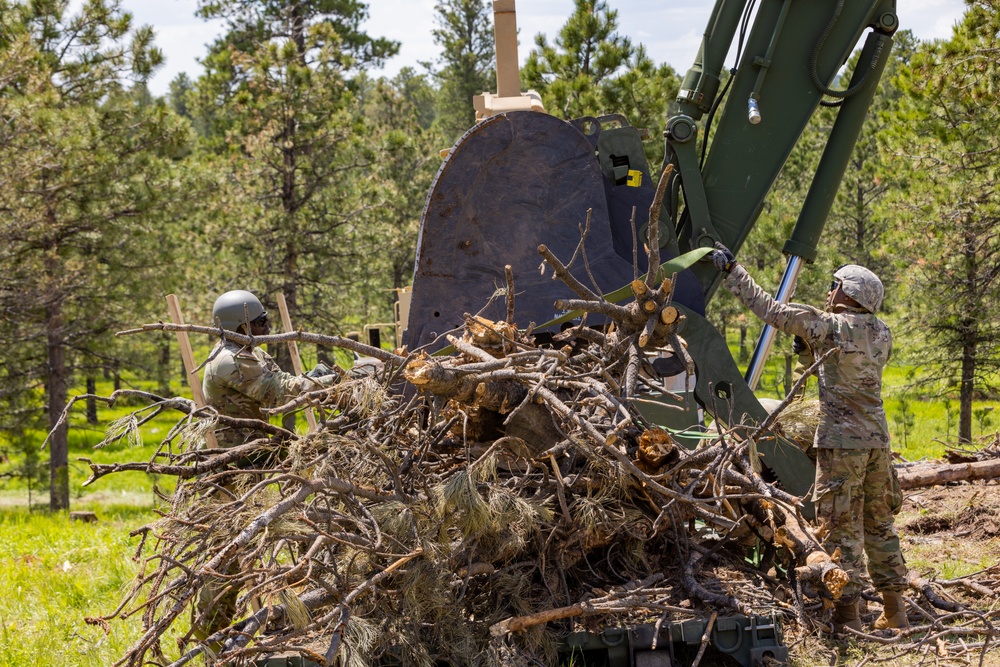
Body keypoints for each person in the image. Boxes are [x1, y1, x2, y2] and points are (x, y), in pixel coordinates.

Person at [709, 244, 908, 632]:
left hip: (840, 445)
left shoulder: (828, 325)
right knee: (880, 523)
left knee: (840, 528)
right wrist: (807, 353)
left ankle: (848, 616)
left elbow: (769, 309)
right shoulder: (882, 333)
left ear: (849, 293)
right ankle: (895, 610)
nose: (829, 293)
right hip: (877, 443)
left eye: (835, 286)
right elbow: (841, 372)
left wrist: (733, 271)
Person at [203, 289, 340, 448]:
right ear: (239, 327)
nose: (267, 327)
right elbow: (278, 392)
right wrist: (331, 381)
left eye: (266, 319)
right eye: (260, 322)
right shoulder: (230, 360)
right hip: (227, 458)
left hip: (247, 452)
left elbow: (281, 379)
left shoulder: (252, 351)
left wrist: (311, 377)